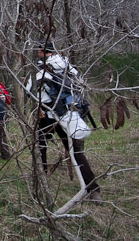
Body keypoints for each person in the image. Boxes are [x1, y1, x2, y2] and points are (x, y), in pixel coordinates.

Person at [31, 42, 102, 203]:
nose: (37, 53)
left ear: (42, 51)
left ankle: (41, 181)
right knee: (75, 151)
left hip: (48, 113)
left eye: (39, 50)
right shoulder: (67, 65)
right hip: (69, 113)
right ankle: (94, 189)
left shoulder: (40, 68)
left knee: (40, 145)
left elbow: (32, 91)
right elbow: (81, 84)